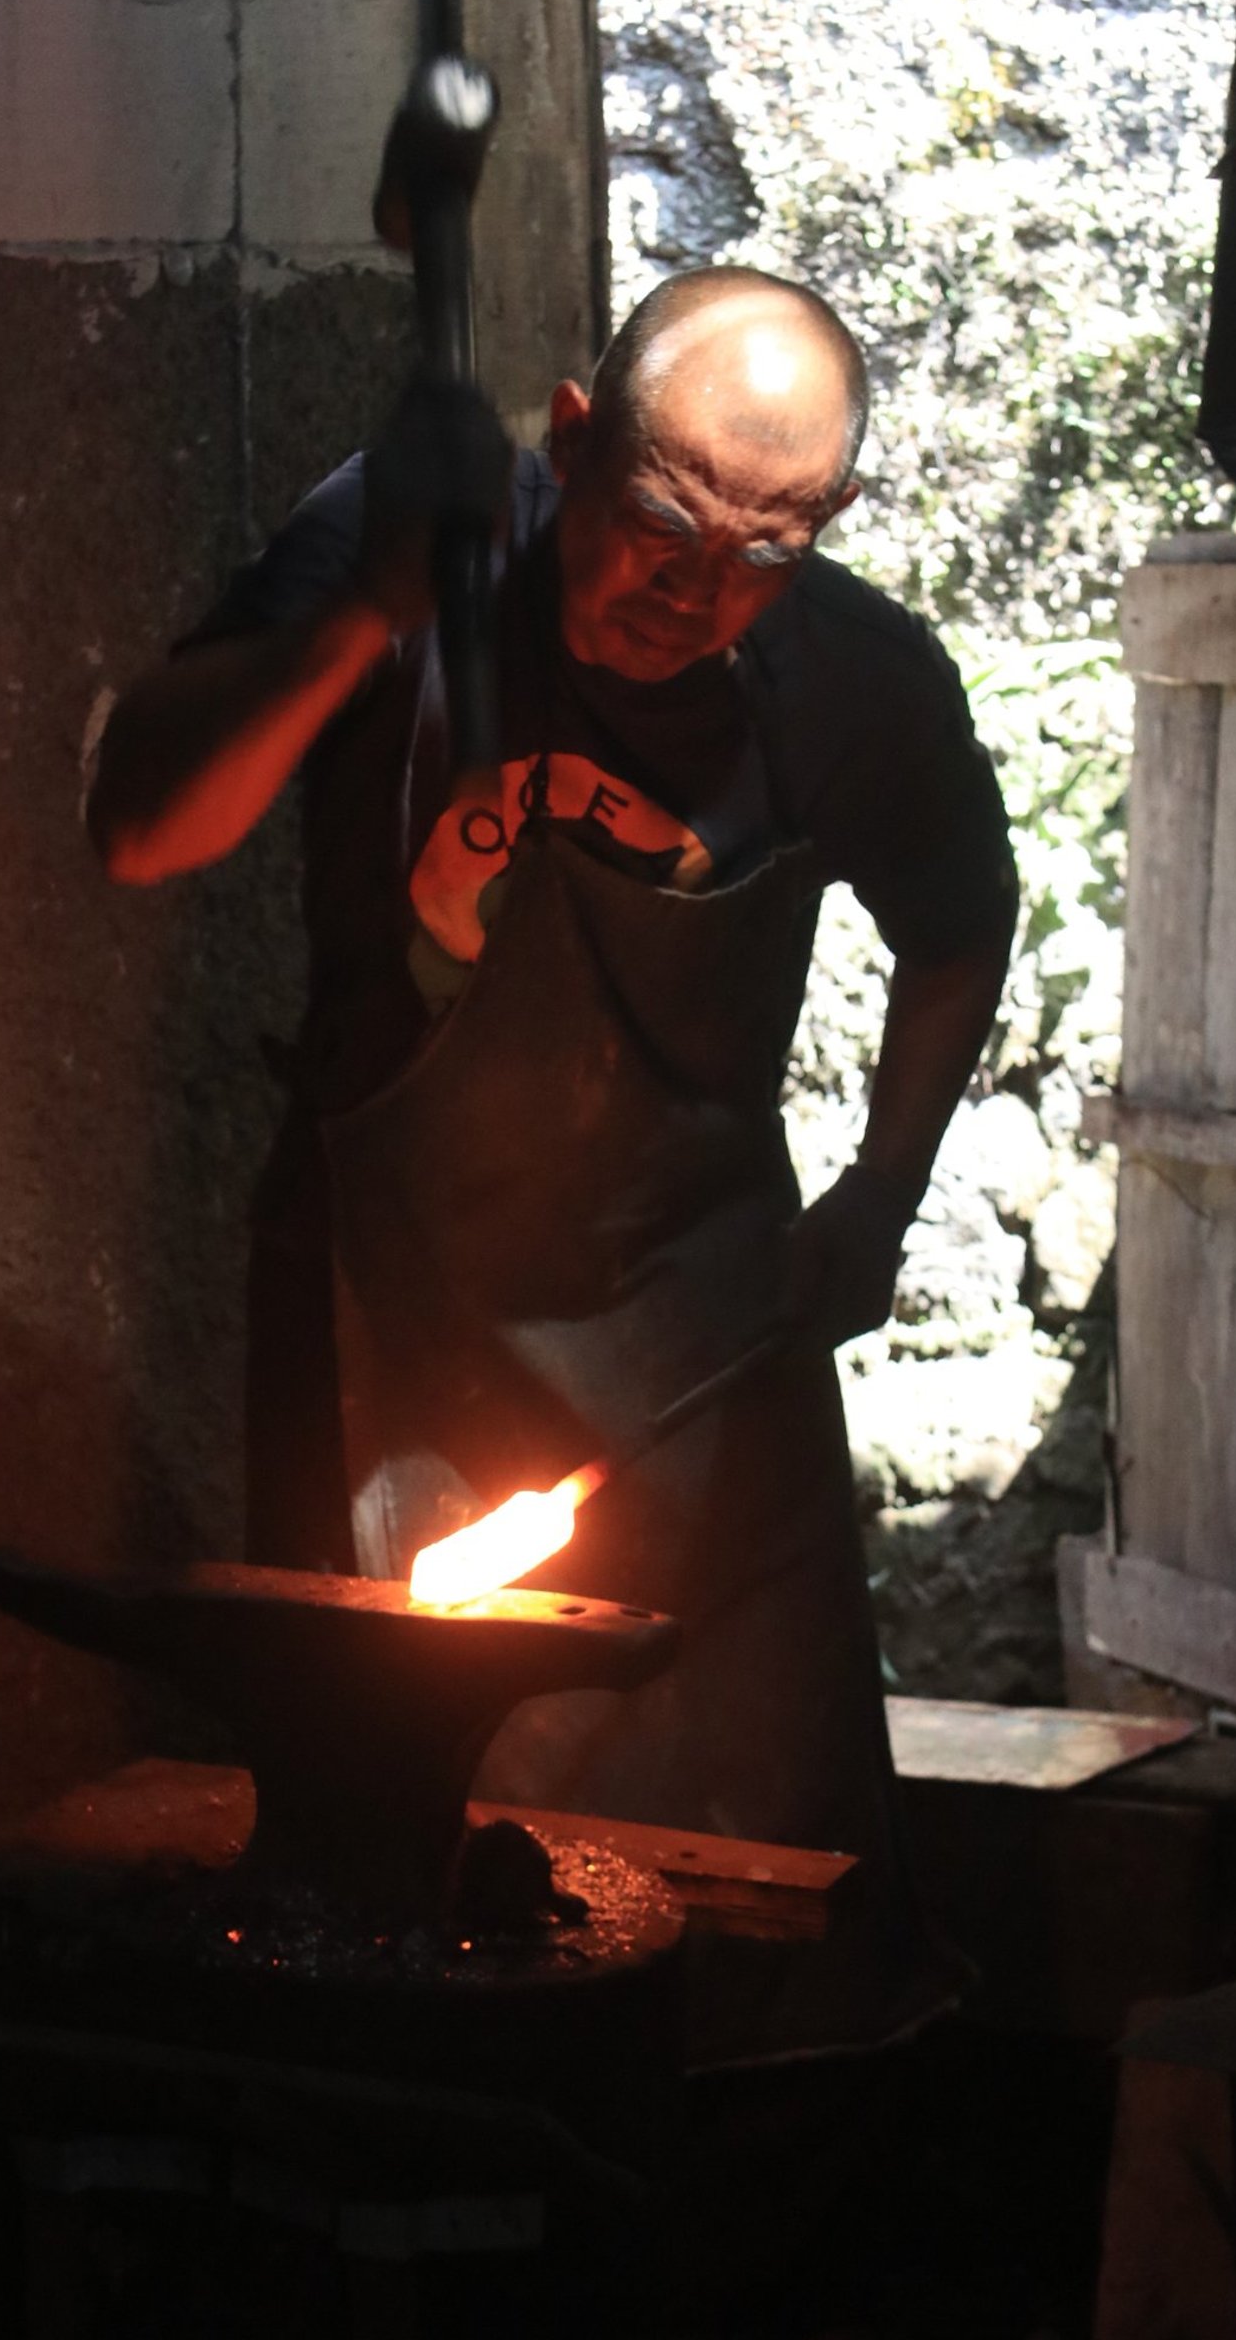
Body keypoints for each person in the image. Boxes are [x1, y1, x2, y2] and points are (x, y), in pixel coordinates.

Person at [88, 267, 1017, 2056]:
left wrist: (883, 1196)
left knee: (765, 1917)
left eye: (765, 548)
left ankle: (737, 2232)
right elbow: (141, 821)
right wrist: (365, 609)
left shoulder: (849, 676)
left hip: (703, 1359)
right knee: (392, 1891)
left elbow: (963, 925)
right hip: (392, 1319)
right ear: (573, 442)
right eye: (664, 525)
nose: (696, 590)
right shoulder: (408, 549)